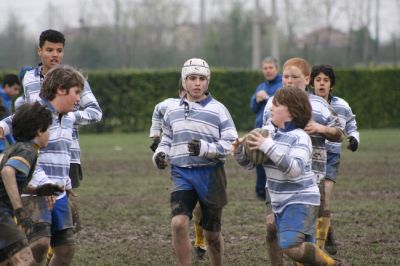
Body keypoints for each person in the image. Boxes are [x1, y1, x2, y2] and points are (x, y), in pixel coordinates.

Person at [234, 87, 344, 265]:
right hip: (280, 202)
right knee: (303, 254)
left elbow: (295, 169)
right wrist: (239, 151)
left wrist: (268, 146)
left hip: (301, 200)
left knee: (290, 246)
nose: (270, 108)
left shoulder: (300, 137)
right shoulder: (269, 136)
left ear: (291, 112)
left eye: (276, 105)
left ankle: (334, 264)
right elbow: (249, 164)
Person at [152, 58, 237, 266]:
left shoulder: (219, 110)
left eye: (201, 79)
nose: (197, 83)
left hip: (211, 176)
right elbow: (167, 139)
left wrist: (205, 149)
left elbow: (231, 144)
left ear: (208, 82)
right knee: (179, 224)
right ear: (184, 81)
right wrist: (160, 155)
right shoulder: (172, 110)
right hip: (182, 173)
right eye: (192, 78)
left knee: (211, 235)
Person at [261, 57, 345, 265]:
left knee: (303, 236)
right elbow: (265, 136)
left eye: (294, 77)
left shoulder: (319, 104)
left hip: (311, 177)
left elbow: (340, 133)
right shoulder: (272, 105)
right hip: (277, 178)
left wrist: (321, 128)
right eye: (286, 77)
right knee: (272, 226)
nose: (288, 81)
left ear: (307, 79)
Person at [0, 65, 86, 265]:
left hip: (54, 190)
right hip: (33, 196)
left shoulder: (69, 117)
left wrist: (64, 182)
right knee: (36, 247)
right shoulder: (38, 114)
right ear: (60, 89)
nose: (79, 98)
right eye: (76, 92)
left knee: (65, 248)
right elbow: (8, 168)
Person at [22, 29, 102, 234]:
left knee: (66, 213)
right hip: (36, 151)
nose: (54, 55)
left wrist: (69, 117)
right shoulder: (29, 79)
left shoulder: (73, 79)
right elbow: (26, 112)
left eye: (59, 50)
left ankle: (56, 247)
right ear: (39, 51)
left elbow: (95, 112)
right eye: (49, 50)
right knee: (38, 205)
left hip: (67, 153)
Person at [149, 79, 207, 259]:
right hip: (180, 163)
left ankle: (199, 239)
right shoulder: (171, 105)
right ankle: (193, 240)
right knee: (183, 210)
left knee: (199, 208)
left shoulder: (206, 109)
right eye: (184, 92)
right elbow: (158, 109)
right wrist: (155, 135)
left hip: (201, 163)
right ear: (180, 92)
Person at [0, 102, 63, 266]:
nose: (49, 133)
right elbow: (7, 173)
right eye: (48, 129)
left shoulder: (16, 148)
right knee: (25, 261)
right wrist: (19, 211)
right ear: (39, 131)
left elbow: (11, 178)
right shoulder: (28, 151)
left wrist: (37, 190)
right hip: (2, 214)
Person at [310, 64, 360, 254]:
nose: (322, 84)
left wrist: (354, 138)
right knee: (314, 200)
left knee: (325, 199)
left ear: (331, 85)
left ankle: (319, 248)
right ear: (311, 82)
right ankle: (327, 231)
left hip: (331, 156)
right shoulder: (305, 103)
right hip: (310, 155)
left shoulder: (341, 105)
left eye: (326, 80)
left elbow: (352, 125)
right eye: (318, 80)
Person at [250, 56, 282, 201]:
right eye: (265, 68)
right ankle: (260, 191)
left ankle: (274, 190)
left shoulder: (282, 84)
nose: (268, 71)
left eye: (271, 68)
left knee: (273, 160)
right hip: (259, 129)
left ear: (277, 69)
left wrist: (268, 97)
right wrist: (256, 100)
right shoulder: (260, 86)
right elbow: (253, 108)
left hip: (276, 131)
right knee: (258, 159)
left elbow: (282, 105)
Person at [0, 74, 21, 152]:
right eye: (15, 89)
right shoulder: (3, 100)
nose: (17, 92)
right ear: (6, 86)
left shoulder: (7, 99)